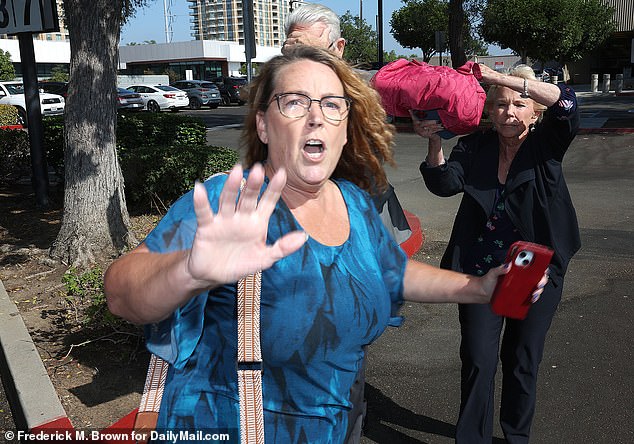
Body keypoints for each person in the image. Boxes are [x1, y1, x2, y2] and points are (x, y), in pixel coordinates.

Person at [104, 47, 545, 443]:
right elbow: (120, 292)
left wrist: (478, 288)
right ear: (262, 124)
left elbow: (391, 269)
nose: (316, 116)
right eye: (294, 101)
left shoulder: (351, 202)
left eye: (332, 105)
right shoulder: (232, 200)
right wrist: (190, 271)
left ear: (345, 126)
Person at [414, 63, 580, 443]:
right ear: (488, 111)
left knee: (522, 361)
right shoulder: (475, 145)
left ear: (535, 112)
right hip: (479, 268)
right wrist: (435, 142)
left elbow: (567, 105)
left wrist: (503, 79)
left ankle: (515, 436)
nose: (509, 112)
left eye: (520, 104)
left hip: (534, 268)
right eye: (501, 104)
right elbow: (446, 183)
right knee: (478, 360)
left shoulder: (546, 144)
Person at [282, 7, 411, 440]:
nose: (296, 59)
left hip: (342, 248)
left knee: (342, 362)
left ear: (337, 49)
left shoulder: (358, 102)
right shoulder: (277, 95)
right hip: (289, 251)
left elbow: (370, 178)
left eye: (307, 50)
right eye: (289, 50)